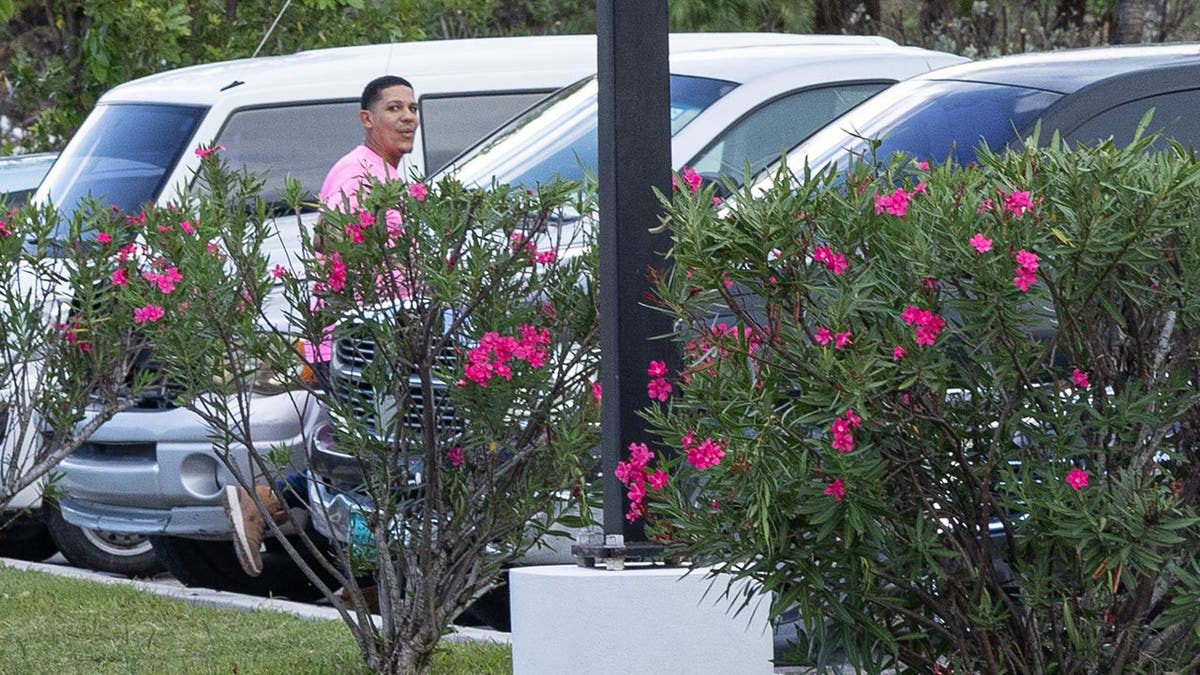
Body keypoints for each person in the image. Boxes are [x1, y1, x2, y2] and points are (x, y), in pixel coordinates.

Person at [222, 74, 420, 580]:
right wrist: (356, 333)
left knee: (370, 460)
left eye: (412, 108)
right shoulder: (357, 175)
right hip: (359, 345)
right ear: (366, 119)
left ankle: (367, 577)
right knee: (363, 461)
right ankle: (265, 501)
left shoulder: (393, 176)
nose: (407, 118)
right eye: (394, 108)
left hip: (385, 341)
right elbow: (338, 258)